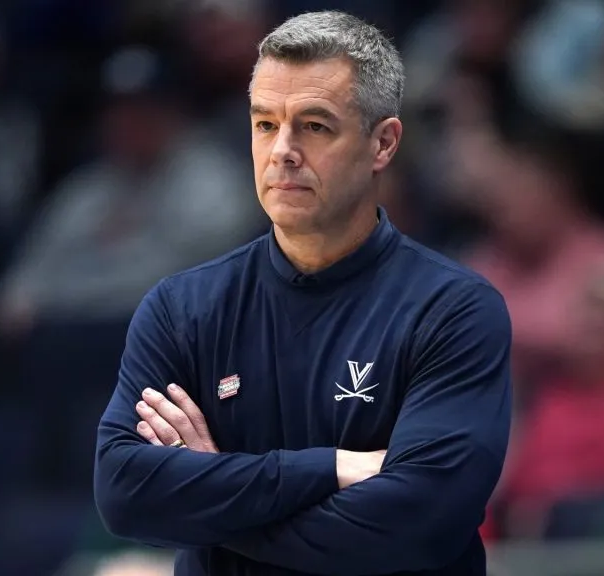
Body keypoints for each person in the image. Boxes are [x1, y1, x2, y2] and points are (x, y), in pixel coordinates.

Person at [94, 10, 513, 576]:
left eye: (315, 126)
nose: (283, 150)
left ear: (383, 143)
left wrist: (210, 493)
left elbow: (413, 526)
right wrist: (332, 469)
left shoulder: (454, 310)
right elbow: (124, 492)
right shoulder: (181, 308)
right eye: (265, 124)